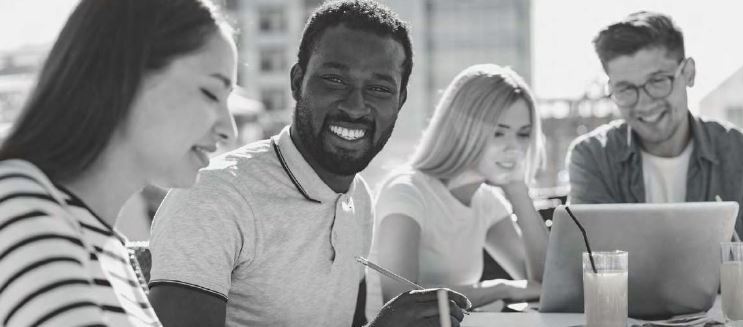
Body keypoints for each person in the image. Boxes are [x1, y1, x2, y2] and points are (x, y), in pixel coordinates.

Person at [147, 1, 470, 326]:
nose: (355, 107)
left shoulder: (358, 198)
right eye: (335, 80)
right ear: (297, 81)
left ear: (400, 101)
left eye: (378, 89)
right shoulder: (214, 195)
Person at [0, 0, 237, 326]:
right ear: (126, 75)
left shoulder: (110, 251)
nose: (228, 129)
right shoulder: (21, 204)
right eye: (211, 93)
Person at [567, 11, 743, 304]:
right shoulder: (592, 156)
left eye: (658, 81)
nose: (644, 103)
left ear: (688, 73)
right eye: (625, 89)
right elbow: (584, 266)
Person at [365, 64, 549, 315]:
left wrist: (518, 191)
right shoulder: (406, 191)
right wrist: (499, 289)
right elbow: (401, 301)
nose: (514, 147)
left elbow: (544, 284)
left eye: (523, 134)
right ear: (464, 129)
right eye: (498, 133)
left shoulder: (486, 202)